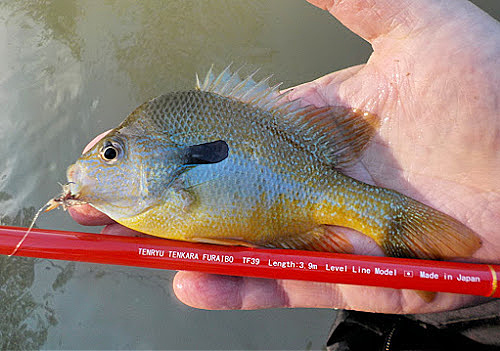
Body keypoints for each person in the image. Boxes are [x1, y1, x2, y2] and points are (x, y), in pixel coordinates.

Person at [69, 0, 500, 348]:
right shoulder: (151, 202)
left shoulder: (163, 193)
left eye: (112, 152)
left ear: (166, 156)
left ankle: (399, 235)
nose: (96, 164)